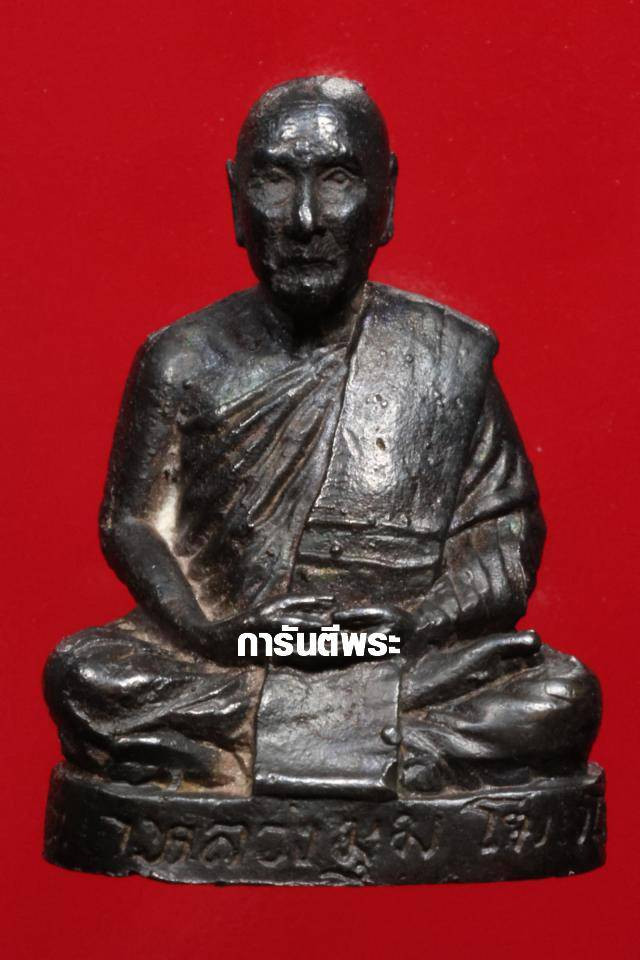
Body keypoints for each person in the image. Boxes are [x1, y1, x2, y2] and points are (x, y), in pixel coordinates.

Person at [44, 76, 600, 796]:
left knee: (560, 695)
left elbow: (503, 542)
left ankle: (256, 751)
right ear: (236, 201)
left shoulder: (446, 357)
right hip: (237, 653)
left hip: (399, 656)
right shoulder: (180, 359)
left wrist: (414, 625)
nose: (304, 219)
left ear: (386, 200)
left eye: (337, 179)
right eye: (274, 181)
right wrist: (210, 632)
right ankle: (374, 754)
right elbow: (131, 522)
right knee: (86, 675)